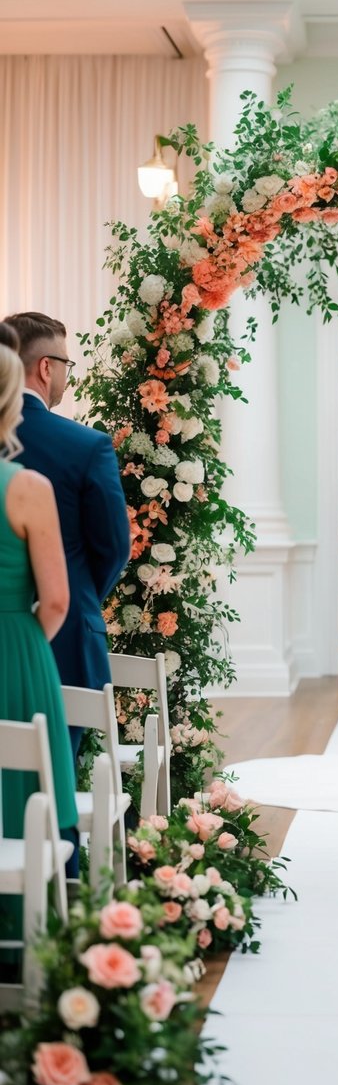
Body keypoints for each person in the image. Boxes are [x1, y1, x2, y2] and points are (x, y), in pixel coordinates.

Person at [3, 312, 130, 759]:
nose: (66, 378)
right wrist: (79, 593)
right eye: (66, 365)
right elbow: (114, 547)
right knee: (56, 767)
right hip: (69, 635)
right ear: (45, 367)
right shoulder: (86, 445)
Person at [0, 342, 77, 952]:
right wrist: (24, 645)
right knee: (28, 790)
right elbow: (56, 601)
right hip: (16, 653)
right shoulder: (26, 487)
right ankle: (29, 941)